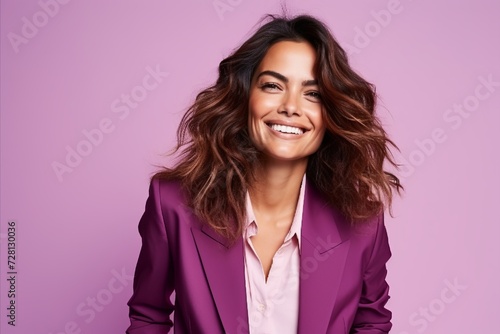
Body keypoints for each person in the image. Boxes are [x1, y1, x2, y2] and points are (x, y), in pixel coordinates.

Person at [126, 12, 403, 334]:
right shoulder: (173, 204)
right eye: (273, 85)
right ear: (245, 97)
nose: (291, 106)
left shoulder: (362, 221)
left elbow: (372, 322)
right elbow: (149, 315)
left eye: (313, 93)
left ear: (330, 113)